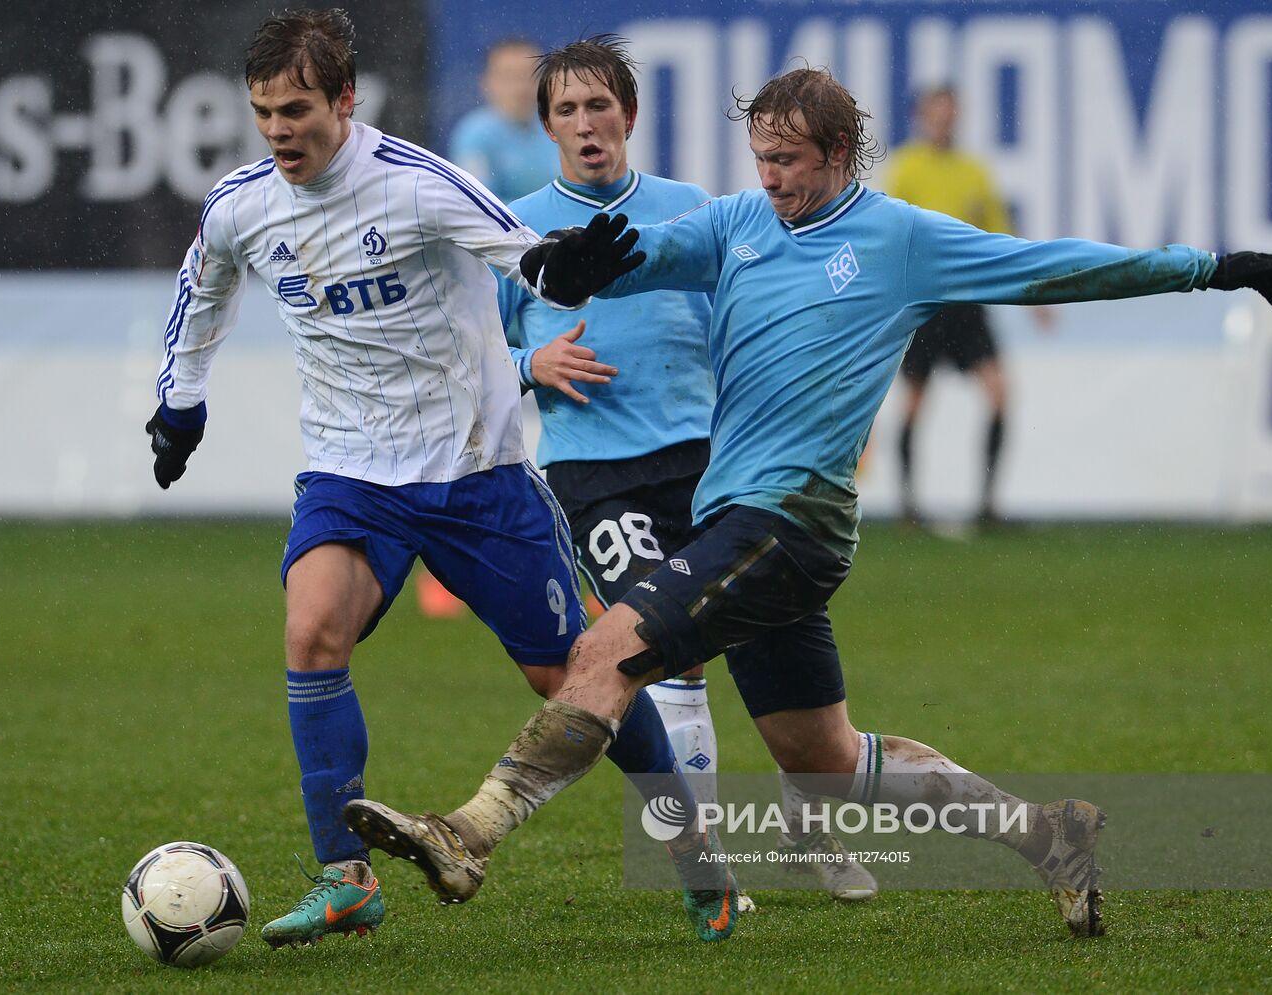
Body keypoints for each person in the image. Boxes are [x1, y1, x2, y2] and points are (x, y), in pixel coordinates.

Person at [345, 65, 1272, 942]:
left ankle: (469, 831)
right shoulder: (737, 224)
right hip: (742, 521)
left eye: (789, 161)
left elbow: (1055, 265)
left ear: (840, 156)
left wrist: (1211, 267)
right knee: (826, 756)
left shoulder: (902, 239)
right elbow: (653, 251)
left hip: (792, 521)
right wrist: (584, 264)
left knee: (602, 651)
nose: (770, 177)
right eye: (759, 157)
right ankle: (1050, 835)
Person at [143, 8, 694, 949]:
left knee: (570, 675)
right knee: (312, 630)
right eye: (264, 111)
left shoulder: (418, 186)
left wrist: (564, 268)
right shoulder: (243, 203)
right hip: (349, 472)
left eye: (298, 109)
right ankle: (344, 877)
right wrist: (182, 397)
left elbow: (525, 255)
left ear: (346, 100)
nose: (279, 130)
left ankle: (692, 844)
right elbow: (205, 287)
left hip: (475, 473)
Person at [497, 34, 875, 904]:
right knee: (668, 660)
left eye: (601, 107)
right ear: (546, 124)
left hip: (716, 468)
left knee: (781, 662)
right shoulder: (511, 229)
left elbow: (756, 321)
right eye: (566, 110)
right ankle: (709, 868)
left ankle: (808, 815)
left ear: (629, 116)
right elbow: (471, 352)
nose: (586, 124)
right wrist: (529, 365)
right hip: (599, 478)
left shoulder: (694, 210)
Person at [884, 85, 1052, 526]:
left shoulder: (974, 172)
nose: (944, 120)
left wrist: (1034, 294)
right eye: (936, 112)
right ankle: (906, 505)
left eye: (950, 112)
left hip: (967, 303)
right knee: (916, 402)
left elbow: (999, 235)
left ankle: (988, 505)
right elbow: (887, 236)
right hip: (925, 302)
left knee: (999, 393)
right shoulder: (906, 169)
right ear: (922, 116)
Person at [449, 38, 561, 203]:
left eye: (529, 75)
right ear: (487, 83)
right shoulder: (474, 133)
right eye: (508, 77)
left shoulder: (559, 126)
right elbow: (478, 203)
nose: (520, 87)